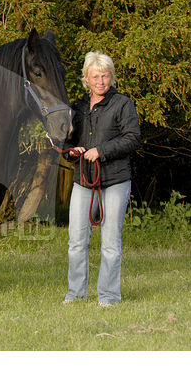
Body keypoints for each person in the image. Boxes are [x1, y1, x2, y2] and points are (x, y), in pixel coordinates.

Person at [63, 51, 141, 307]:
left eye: (105, 75)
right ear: (86, 79)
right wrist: (73, 151)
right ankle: (75, 294)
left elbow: (132, 138)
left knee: (110, 243)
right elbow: (69, 142)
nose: (100, 81)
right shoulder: (78, 107)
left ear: (111, 77)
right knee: (76, 241)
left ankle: (108, 296)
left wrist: (101, 151)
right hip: (83, 181)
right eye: (95, 76)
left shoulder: (123, 104)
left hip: (116, 181)